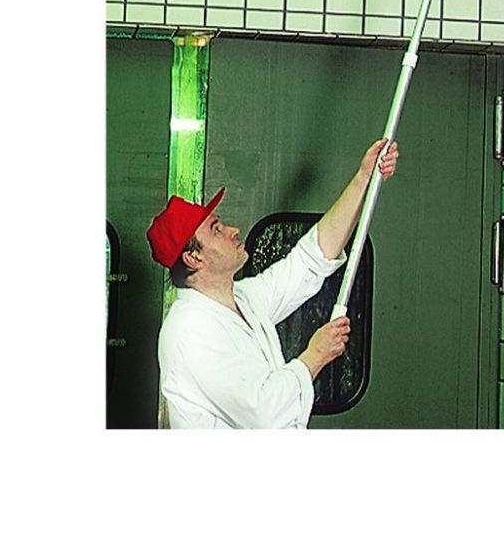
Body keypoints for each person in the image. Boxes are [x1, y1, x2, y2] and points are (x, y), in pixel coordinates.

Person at [146, 138, 399, 429]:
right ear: (193, 258)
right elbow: (262, 413)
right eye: (216, 230)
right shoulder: (189, 330)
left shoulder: (243, 299)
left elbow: (312, 257)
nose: (233, 230)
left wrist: (364, 177)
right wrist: (316, 355)